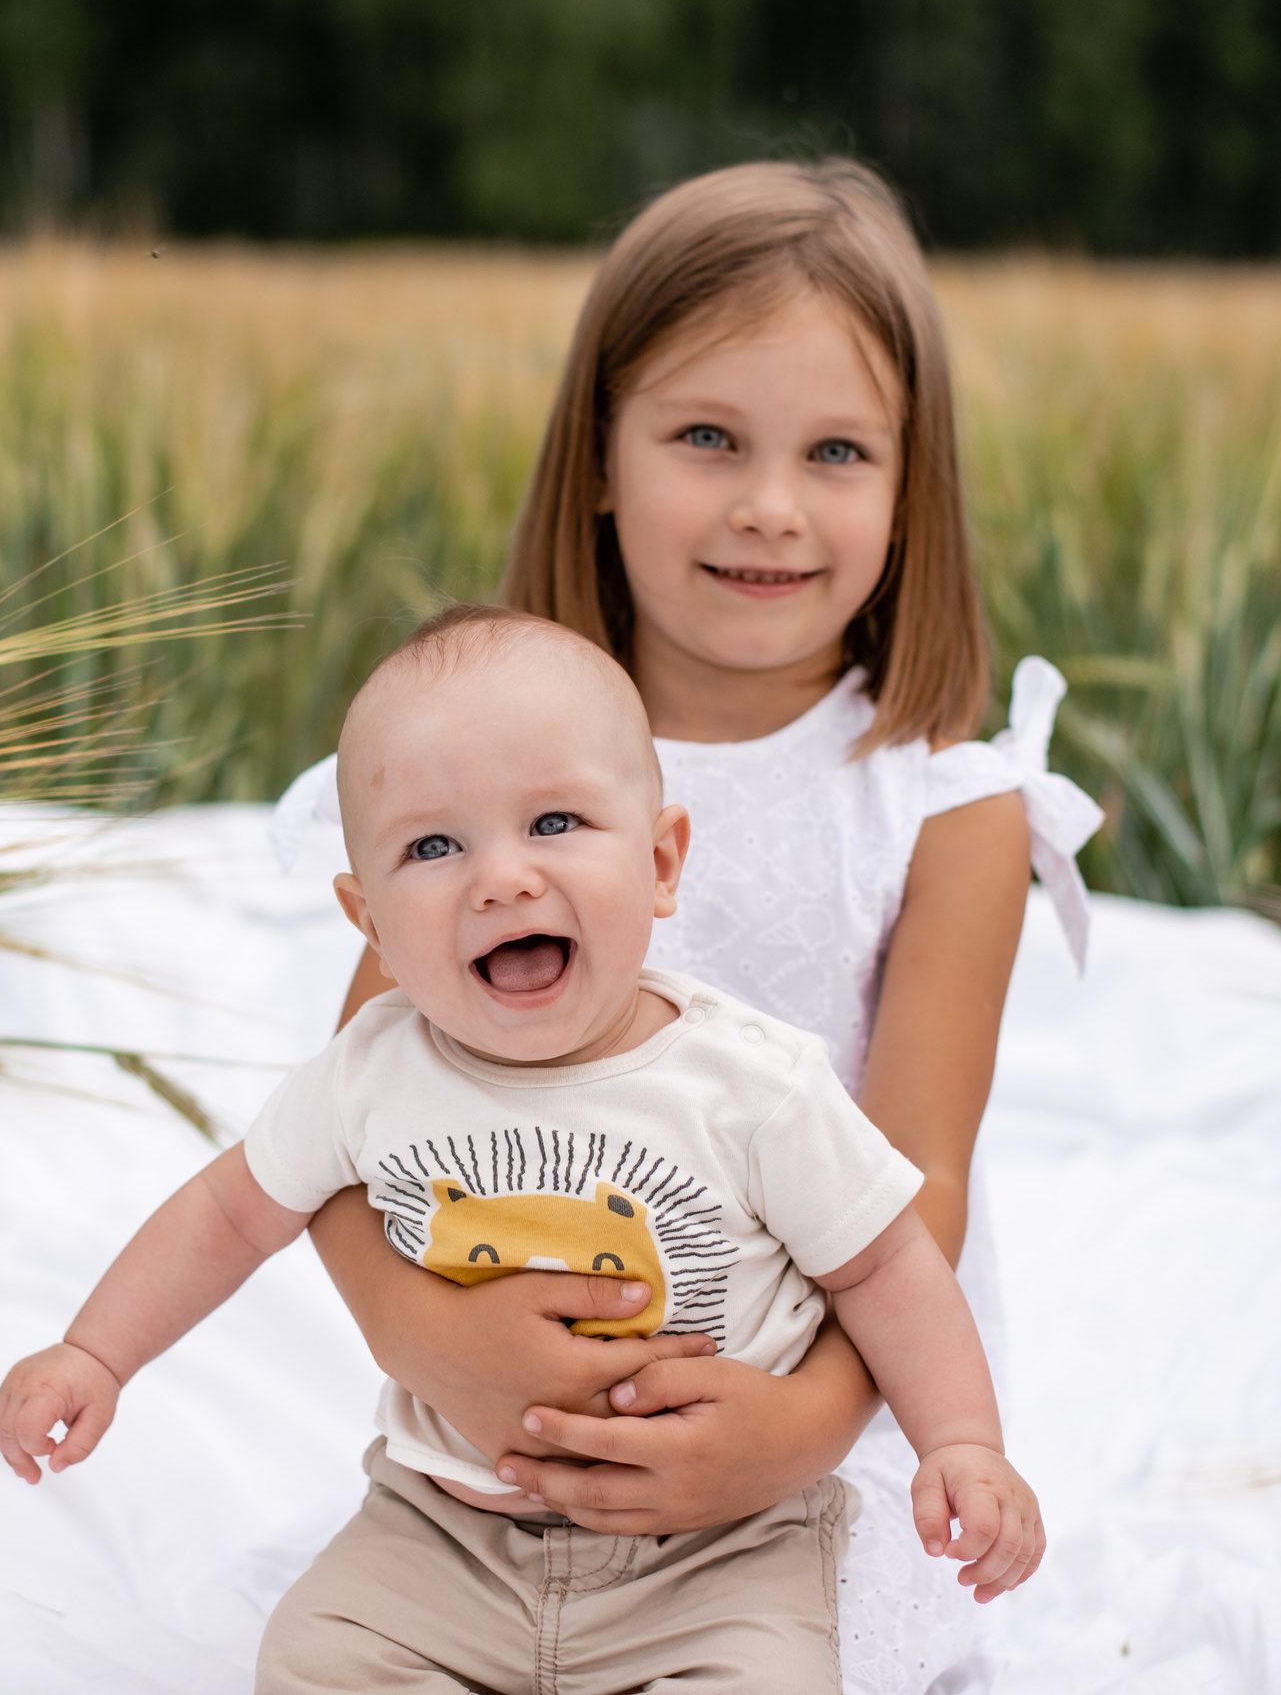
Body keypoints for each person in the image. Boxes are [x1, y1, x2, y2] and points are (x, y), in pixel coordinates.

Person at [266, 157, 1102, 1692]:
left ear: (911, 488)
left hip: (815, 1414)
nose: (768, 507)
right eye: (707, 436)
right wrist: (423, 1336)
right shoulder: (473, 764)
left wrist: (797, 1429)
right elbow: (339, 1124)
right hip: (498, 1440)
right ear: (598, 455)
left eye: (838, 451)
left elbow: (922, 1191)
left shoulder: (945, 812)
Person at [0, 609, 1043, 1692]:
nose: (500, 877)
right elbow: (227, 1211)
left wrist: (961, 1441)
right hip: (441, 1527)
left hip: (722, 1546)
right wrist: (96, 1352)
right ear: (370, 925)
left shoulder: (752, 1082)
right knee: (315, 1655)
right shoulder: (370, 1071)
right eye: (432, 846)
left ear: (661, 861)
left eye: (553, 821)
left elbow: (884, 1263)